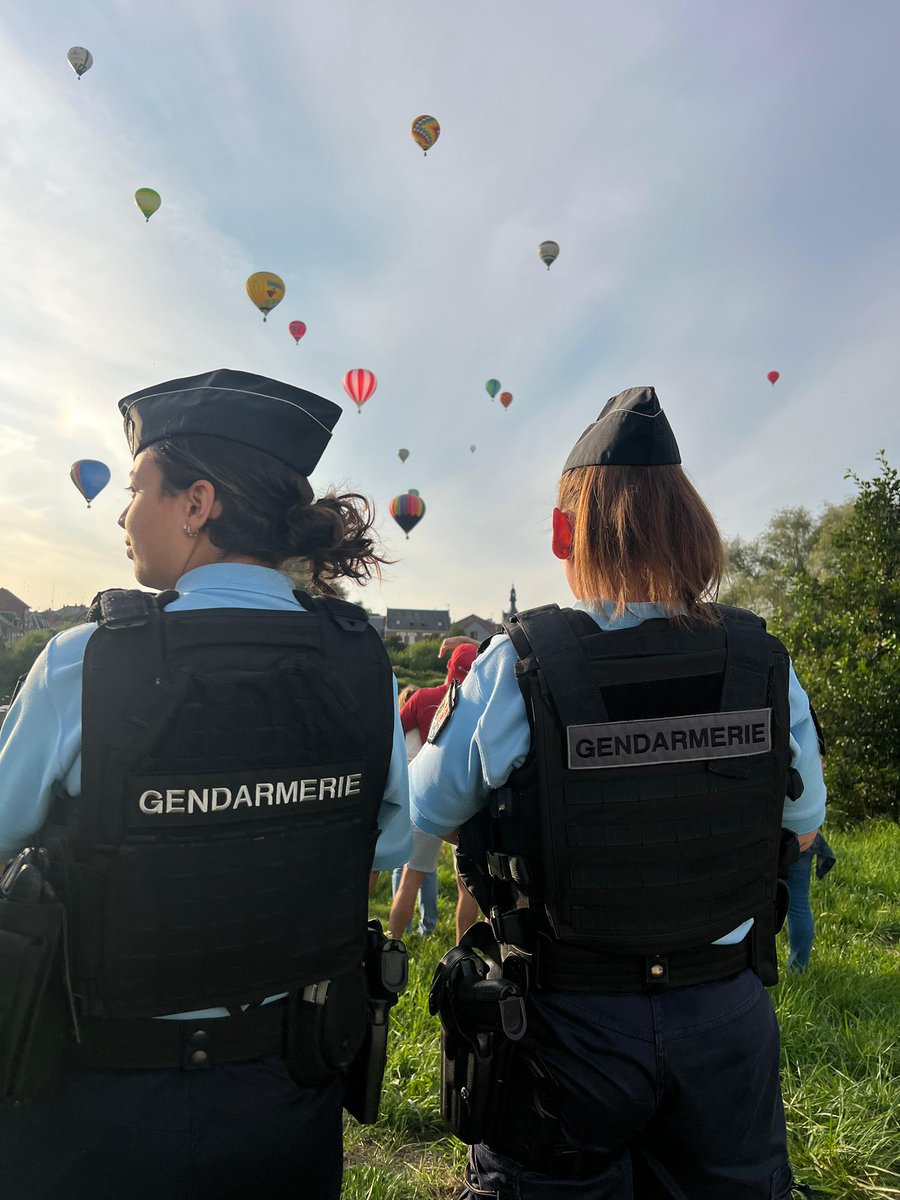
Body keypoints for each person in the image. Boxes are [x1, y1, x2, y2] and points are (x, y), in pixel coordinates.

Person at [0, 368, 412, 1200]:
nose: (122, 514)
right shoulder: (362, 657)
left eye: (134, 489)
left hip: (98, 1105)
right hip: (288, 1097)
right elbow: (391, 838)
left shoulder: (85, 659)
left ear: (196, 503)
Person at [413, 386, 825, 1200]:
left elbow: (424, 812)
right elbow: (803, 826)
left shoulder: (516, 666)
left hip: (568, 1029)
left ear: (565, 534)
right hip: (727, 1017)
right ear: (691, 526)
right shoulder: (763, 661)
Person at [388, 644, 477, 941]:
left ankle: (394, 945)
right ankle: (463, 951)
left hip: (426, 793)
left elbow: (395, 734)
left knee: (410, 879)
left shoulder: (424, 698)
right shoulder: (477, 705)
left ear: (448, 668)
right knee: (469, 886)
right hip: (465, 797)